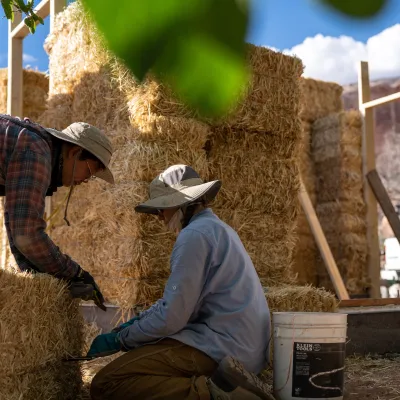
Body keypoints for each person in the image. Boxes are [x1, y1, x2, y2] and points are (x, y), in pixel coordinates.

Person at [87, 164, 273, 399]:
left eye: (161, 210)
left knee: (108, 382)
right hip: (243, 346)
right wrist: (136, 323)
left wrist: (121, 338)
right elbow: (178, 303)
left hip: (225, 348)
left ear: (181, 205)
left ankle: (217, 395)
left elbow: (172, 318)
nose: (159, 218)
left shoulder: (194, 236)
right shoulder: (218, 229)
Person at [0, 113, 115, 309]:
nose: (85, 180)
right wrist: (75, 273)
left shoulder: (32, 146)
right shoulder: (36, 152)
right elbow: (26, 235)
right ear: (75, 152)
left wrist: (38, 278)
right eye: (89, 171)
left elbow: (16, 221)